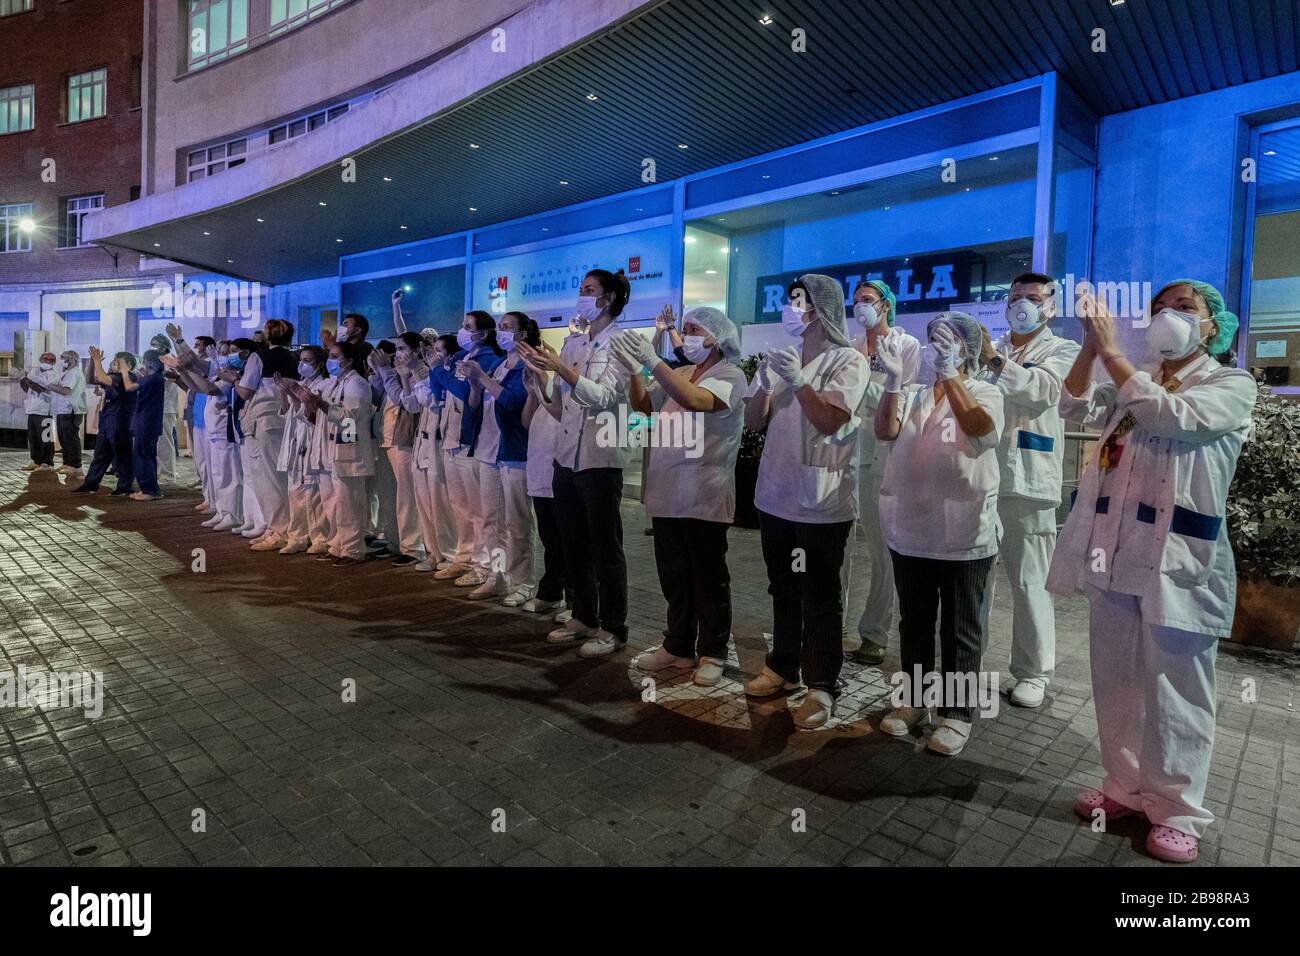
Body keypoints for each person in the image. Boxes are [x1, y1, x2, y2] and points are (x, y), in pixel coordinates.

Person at [1049, 281, 1254, 864]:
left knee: (1178, 688)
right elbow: (1071, 405)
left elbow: (1169, 419)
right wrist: (1091, 345)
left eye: (1183, 309)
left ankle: (1179, 809)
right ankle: (1124, 787)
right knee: (1115, 676)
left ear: (1212, 325)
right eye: (1158, 308)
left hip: (1179, 559)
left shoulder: (1228, 385)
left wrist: (1115, 354)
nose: (1166, 317)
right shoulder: (1136, 378)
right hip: (1115, 550)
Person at [741, 274, 869, 728]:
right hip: (776, 495)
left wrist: (796, 382)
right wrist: (763, 384)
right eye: (788, 300)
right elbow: (754, 422)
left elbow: (831, 419)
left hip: (820, 500)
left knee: (819, 593)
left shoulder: (848, 361)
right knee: (783, 586)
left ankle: (822, 683)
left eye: (797, 300)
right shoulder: (784, 357)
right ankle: (783, 665)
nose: (789, 308)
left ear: (820, 306)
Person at [874, 313, 1005, 756]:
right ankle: (914, 699)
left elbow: (980, 430)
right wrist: (893, 383)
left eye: (948, 340)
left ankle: (958, 711)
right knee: (914, 621)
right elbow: (884, 431)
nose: (937, 346)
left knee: (961, 627)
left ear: (967, 347)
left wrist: (951, 377)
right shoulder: (911, 394)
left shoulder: (987, 390)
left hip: (963, 530)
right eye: (933, 338)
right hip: (912, 525)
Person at [616, 307, 748, 687]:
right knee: (674, 574)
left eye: (694, 329)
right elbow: (644, 407)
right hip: (669, 491)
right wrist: (634, 372)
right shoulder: (684, 372)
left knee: (708, 578)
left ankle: (713, 651)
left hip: (705, 493)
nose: (687, 334)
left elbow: (696, 401)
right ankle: (677, 645)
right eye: (685, 328)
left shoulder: (731, 375)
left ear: (716, 337)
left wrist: (652, 361)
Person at [518, 268, 635, 658]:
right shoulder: (573, 345)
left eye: (589, 291)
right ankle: (583, 615)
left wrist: (560, 369)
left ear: (610, 298)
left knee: (605, 546)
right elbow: (562, 408)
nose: (582, 297)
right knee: (573, 542)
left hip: (601, 456)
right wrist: (537, 380)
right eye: (580, 290)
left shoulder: (623, 343)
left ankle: (614, 626)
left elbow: (603, 397)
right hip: (565, 456)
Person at [976, 272, 1081, 708]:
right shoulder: (994, 349)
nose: (1022, 303)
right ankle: (967, 660)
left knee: (1029, 580)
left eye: (1033, 298)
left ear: (1051, 307)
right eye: (1015, 296)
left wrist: (994, 362)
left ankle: (1033, 672)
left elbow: (1043, 393)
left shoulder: (1064, 350)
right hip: (981, 476)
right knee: (975, 579)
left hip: (1030, 479)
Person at [842, 279, 920, 666]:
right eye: (855, 301)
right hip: (845, 453)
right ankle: (830, 623)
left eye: (867, 300)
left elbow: (902, 401)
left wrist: (863, 391)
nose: (860, 307)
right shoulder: (850, 348)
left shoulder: (906, 347)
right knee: (836, 546)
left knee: (881, 549)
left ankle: (874, 634)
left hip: (883, 456)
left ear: (887, 305)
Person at [464, 312, 536, 601]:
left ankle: (523, 582)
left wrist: (482, 376)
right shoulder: (500, 367)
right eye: (500, 327)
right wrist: (474, 384)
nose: (501, 332)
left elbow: (514, 404)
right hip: (487, 451)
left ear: (522, 334)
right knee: (490, 521)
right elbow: (475, 405)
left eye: (507, 328)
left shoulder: (525, 369)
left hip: (514, 453)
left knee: (517, 523)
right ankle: (496, 575)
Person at [434, 311, 504, 586]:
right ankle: (464, 557)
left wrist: (440, 370)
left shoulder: (487, 360)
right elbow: (440, 392)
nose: (461, 331)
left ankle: (487, 567)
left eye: (467, 327)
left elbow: (464, 394)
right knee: (462, 508)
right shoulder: (463, 359)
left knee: (485, 515)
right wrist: (439, 369)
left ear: (483, 333)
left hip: (475, 444)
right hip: (454, 438)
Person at [300, 340, 376, 566]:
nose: (331, 361)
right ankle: (336, 544)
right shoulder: (332, 383)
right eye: (330, 356)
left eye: (334, 356)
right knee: (331, 502)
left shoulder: (357, 384)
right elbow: (317, 415)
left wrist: (321, 405)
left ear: (349, 360)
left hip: (347, 450)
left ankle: (352, 549)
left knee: (348, 503)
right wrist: (306, 401)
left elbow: (349, 417)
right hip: (326, 449)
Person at [237, 320, 299, 552]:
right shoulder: (293, 358)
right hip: (284, 420)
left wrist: (233, 379)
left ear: (267, 334)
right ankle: (278, 527)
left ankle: (278, 530)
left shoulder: (259, 357)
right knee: (280, 478)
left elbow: (245, 390)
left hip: (263, 421)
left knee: (267, 479)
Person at [406, 334, 459, 573]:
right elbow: (413, 404)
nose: (433, 355)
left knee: (440, 504)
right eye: (432, 350)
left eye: (438, 350)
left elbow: (430, 399)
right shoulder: (434, 374)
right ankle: (433, 551)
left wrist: (419, 374)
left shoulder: (450, 375)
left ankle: (448, 553)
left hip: (438, 446)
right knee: (424, 503)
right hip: (422, 443)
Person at [520, 360, 569, 616]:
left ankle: (571, 599)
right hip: (539, 476)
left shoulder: (559, 390)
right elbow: (526, 422)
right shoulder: (542, 394)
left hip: (559, 476)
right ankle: (551, 593)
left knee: (567, 542)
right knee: (550, 539)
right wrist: (532, 394)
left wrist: (542, 386)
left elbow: (560, 415)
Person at [272, 345, 332, 555]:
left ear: (320, 364)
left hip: (312, 441)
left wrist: (299, 398)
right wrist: (284, 392)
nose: (302, 364)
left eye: (307, 360)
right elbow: (288, 412)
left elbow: (315, 415)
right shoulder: (300, 383)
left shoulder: (325, 385)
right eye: (301, 360)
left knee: (313, 495)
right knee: (294, 492)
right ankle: (296, 537)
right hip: (296, 443)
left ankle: (320, 538)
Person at [369, 337, 423, 567]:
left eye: (402, 348)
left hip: (404, 440)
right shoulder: (392, 370)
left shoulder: (418, 371)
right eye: (397, 349)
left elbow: (402, 400)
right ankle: (394, 541)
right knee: (388, 496)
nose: (397, 354)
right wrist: (377, 370)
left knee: (406, 498)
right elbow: (377, 395)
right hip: (385, 440)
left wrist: (386, 371)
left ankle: (412, 547)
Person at [72, 349, 137, 496]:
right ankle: (91, 484)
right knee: (100, 454)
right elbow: (91, 379)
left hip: (120, 420)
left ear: (128, 364)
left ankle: (124, 486)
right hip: (107, 420)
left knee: (122, 454)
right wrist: (92, 362)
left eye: (118, 361)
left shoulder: (128, 377)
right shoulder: (114, 377)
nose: (114, 363)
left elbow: (103, 378)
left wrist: (97, 361)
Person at [119, 349, 167, 501]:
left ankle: (148, 489)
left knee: (142, 455)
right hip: (148, 421)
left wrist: (125, 371)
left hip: (146, 421)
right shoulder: (155, 378)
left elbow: (129, 387)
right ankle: (150, 488)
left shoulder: (153, 379)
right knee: (147, 454)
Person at [46, 350, 87, 476]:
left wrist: (49, 385)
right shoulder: (67, 373)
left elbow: (65, 391)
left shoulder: (74, 373)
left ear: (73, 359)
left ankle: (76, 465)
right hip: (63, 410)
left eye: (66, 358)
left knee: (70, 438)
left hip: (71, 409)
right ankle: (67, 462)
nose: (63, 361)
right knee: (63, 438)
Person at [148, 333, 182, 486]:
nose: (153, 347)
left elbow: (167, 378)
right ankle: (158, 472)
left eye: (156, 344)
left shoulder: (170, 360)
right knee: (155, 443)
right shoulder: (155, 360)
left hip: (166, 406)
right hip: (155, 406)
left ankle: (167, 475)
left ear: (163, 345)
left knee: (164, 443)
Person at [18, 352, 59, 472]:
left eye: (51, 359)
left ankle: (47, 463)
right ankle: (36, 461)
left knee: (45, 438)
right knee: (33, 437)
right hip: (32, 409)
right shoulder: (34, 371)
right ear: (40, 359)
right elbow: (27, 388)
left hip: (45, 410)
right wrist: (21, 379)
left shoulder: (54, 375)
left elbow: (40, 389)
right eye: (45, 358)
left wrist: (25, 378)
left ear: (54, 362)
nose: (48, 361)